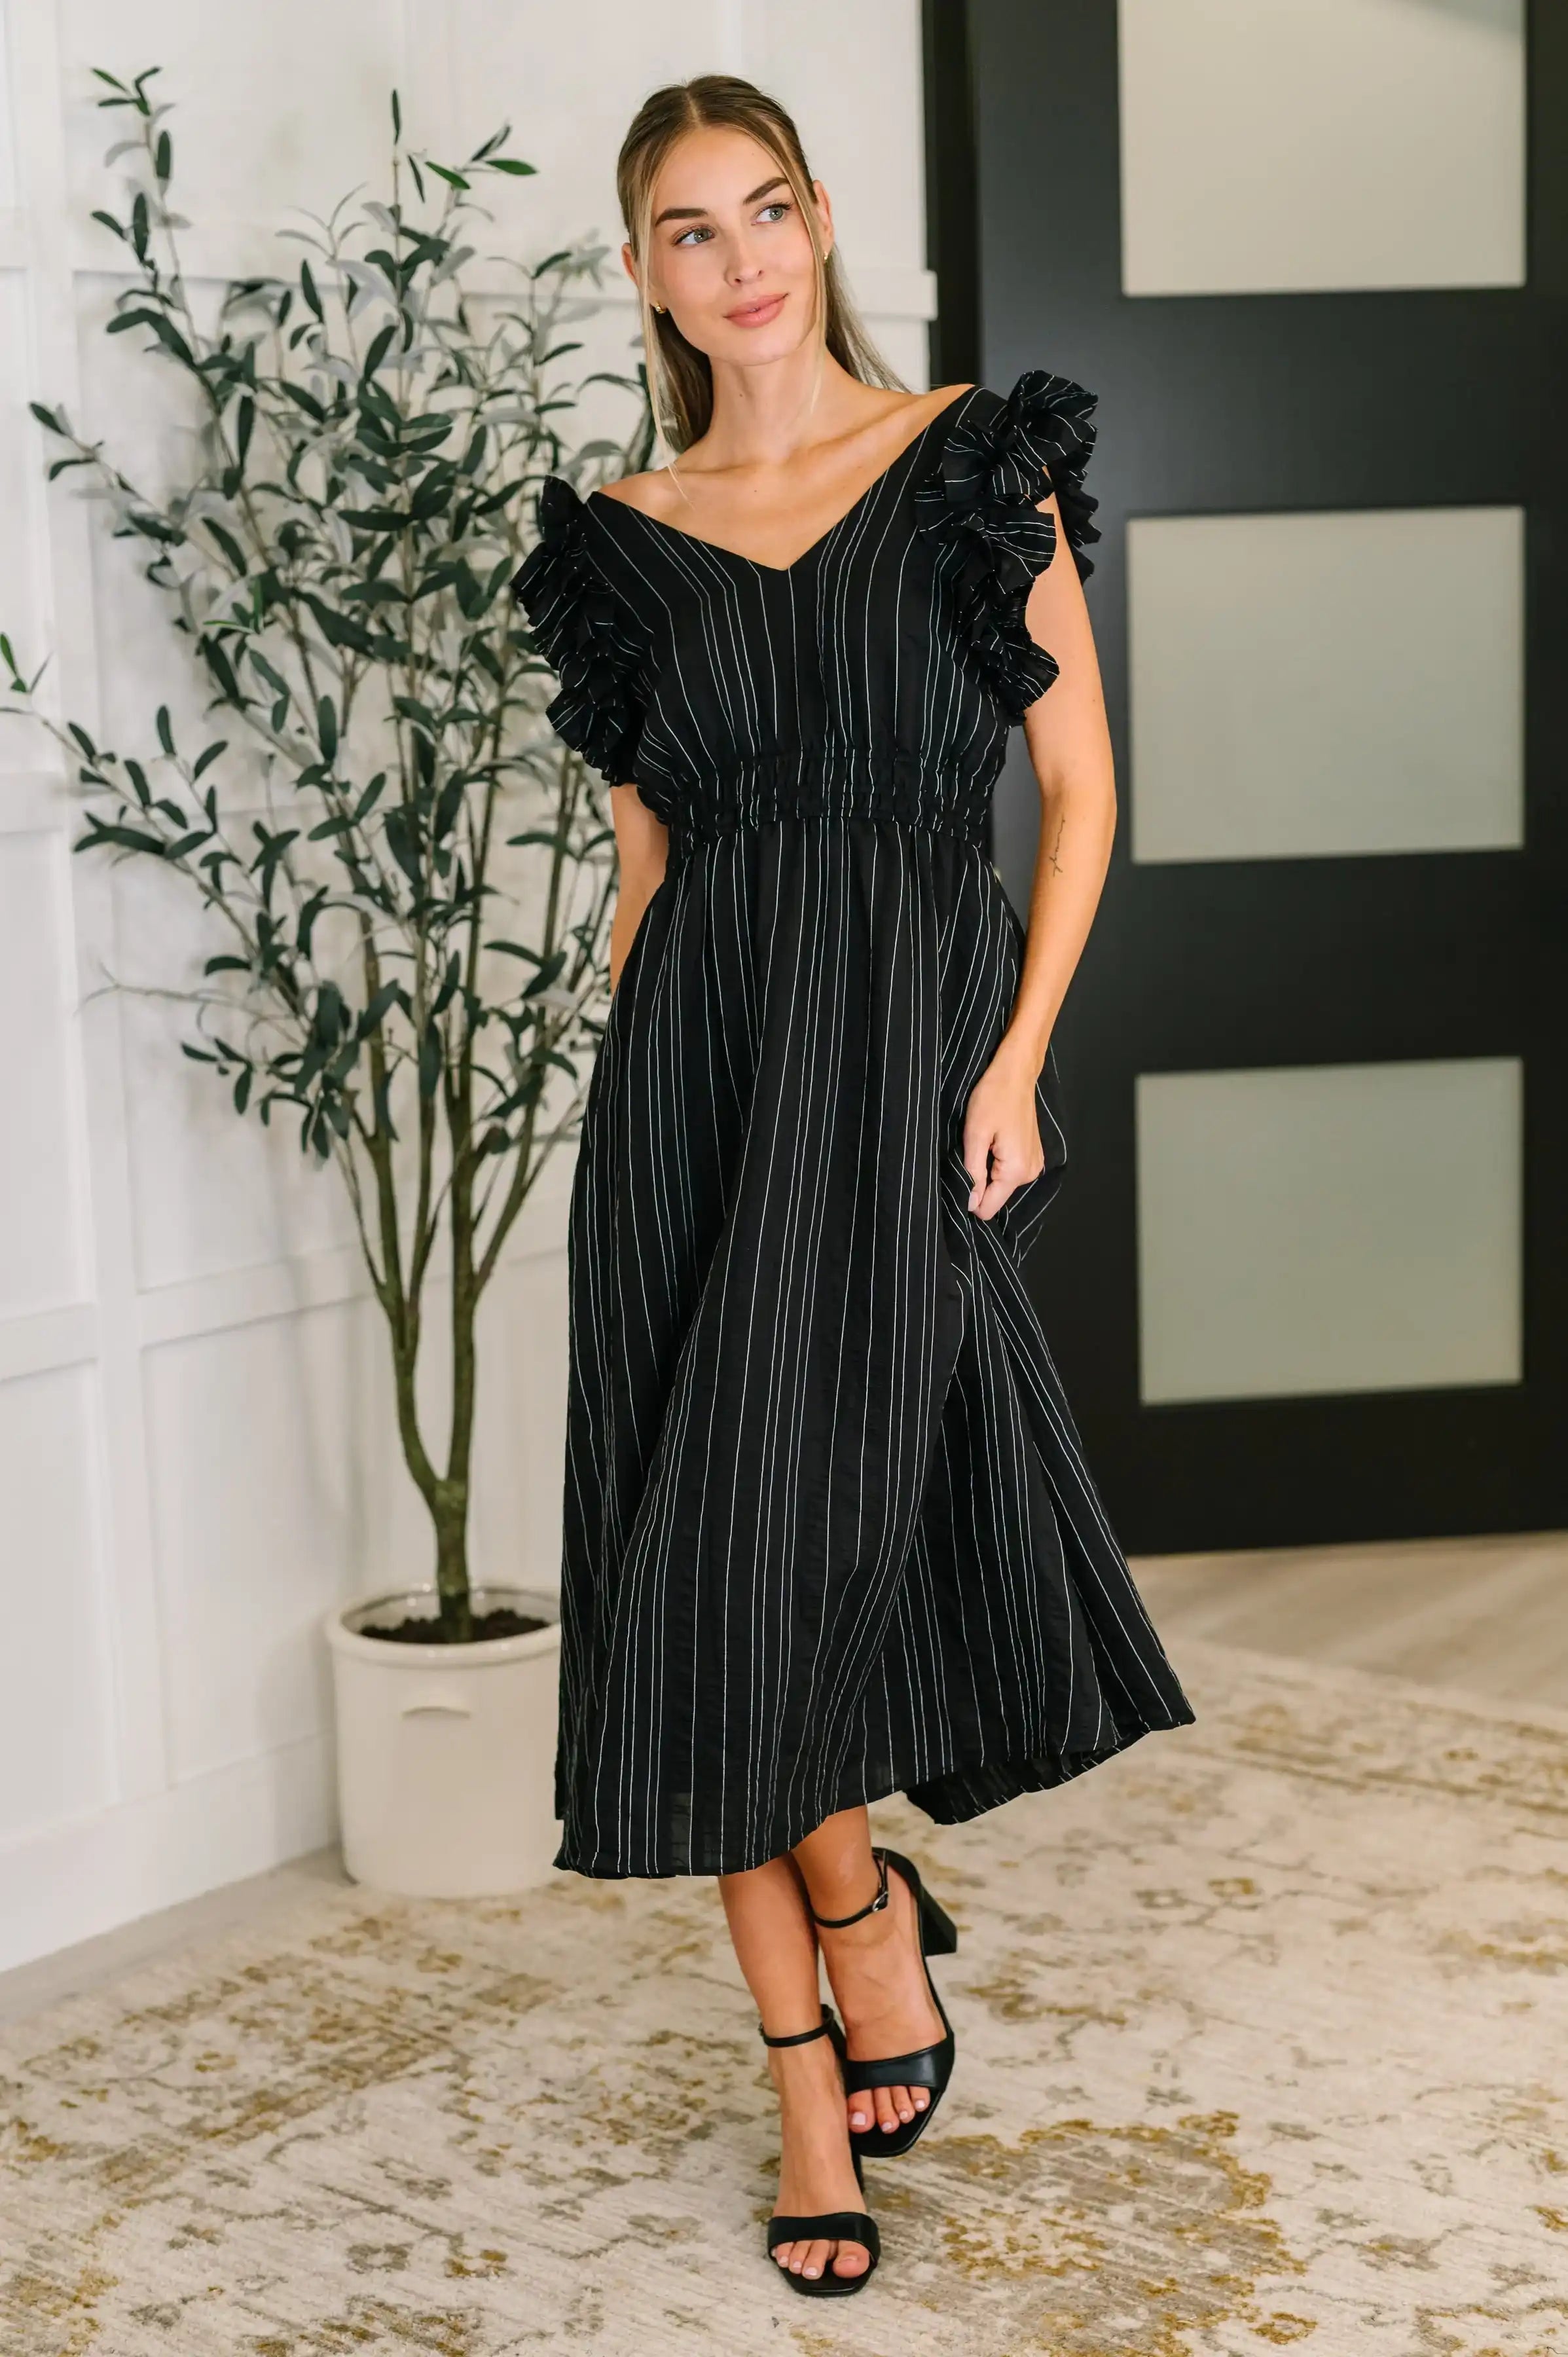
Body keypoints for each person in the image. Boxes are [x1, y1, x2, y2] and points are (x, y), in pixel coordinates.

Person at [512, 71, 1195, 2300]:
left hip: (908, 1080)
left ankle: (869, 1897)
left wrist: (1014, 1059)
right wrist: (633, 1152)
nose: (743, 261)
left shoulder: (970, 468)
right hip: (698, 1101)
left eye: (770, 209)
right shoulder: (614, 542)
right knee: (687, 1574)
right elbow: (649, 879)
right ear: (643, 276)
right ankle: (817, 2059)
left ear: (821, 220)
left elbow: (1077, 794)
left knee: (801, 1553)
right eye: (690, 232)